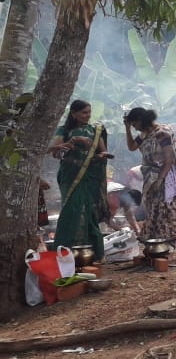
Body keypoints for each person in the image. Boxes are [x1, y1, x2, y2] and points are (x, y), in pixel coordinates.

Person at [48, 100, 112, 260]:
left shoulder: (95, 130)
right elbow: (54, 151)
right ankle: (65, 253)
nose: (88, 115)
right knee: (71, 210)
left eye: (89, 112)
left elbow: (103, 152)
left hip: (89, 177)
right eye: (84, 112)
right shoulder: (64, 130)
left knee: (88, 211)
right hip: (70, 176)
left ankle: (93, 253)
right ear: (74, 114)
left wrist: (101, 156)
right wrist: (73, 141)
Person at [124, 108, 176, 247]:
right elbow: (132, 147)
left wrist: (160, 180)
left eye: (134, 125)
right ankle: (156, 243)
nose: (135, 128)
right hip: (150, 177)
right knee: (153, 209)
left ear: (140, 120)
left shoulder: (162, 133)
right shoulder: (145, 134)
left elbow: (169, 160)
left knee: (166, 209)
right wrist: (127, 129)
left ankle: (167, 244)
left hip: (165, 176)